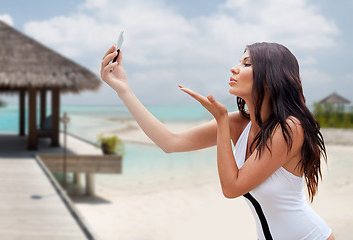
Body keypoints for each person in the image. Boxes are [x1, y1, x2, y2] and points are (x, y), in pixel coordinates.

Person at [100, 42, 335, 240]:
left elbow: (232, 188)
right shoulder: (239, 123)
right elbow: (170, 142)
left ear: (269, 76)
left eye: (247, 63)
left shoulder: (290, 128)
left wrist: (221, 121)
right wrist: (123, 90)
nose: (234, 68)